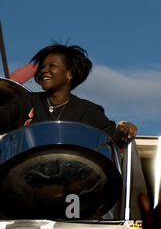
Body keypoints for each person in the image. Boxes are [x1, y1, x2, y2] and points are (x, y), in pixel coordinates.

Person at [0, 42, 146, 219]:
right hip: (28, 194)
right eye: (43, 66)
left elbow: (111, 141)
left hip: (75, 199)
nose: (44, 70)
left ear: (69, 73)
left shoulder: (89, 111)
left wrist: (122, 131)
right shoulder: (25, 102)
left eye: (52, 66)